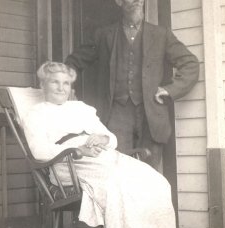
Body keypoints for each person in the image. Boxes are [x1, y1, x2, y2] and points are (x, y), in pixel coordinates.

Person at [22, 61, 181, 228]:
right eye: (55, 82)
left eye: (66, 83)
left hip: (103, 156)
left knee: (155, 181)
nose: (61, 88)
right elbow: (39, 151)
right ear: (43, 85)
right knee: (118, 188)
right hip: (68, 164)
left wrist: (102, 138)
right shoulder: (36, 114)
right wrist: (77, 149)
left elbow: (112, 139)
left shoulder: (81, 109)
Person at [65, 0, 199, 171]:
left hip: (150, 116)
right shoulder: (104, 35)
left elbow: (190, 64)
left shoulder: (160, 34)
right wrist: (68, 86)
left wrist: (170, 90)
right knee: (117, 170)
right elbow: (74, 61)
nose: (136, 1)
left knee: (149, 174)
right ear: (119, 2)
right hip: (116, 116)